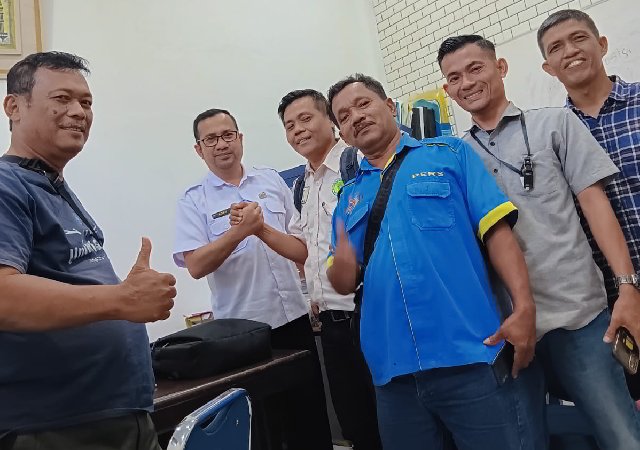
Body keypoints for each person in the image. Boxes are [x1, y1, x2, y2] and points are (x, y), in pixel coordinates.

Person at [438, 34, 640, 449]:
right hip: (508, 331)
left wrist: (627, 288)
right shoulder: (453, 156)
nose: (467, 82)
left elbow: (596, 206)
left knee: (620, 435)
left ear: (501, 68)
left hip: (579, 318)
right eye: (454, 77)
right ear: (447, 90)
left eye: (476, 68)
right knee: (534, 440)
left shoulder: (555, 124)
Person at [325, 73, 538, 450]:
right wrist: (341, 267)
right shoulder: (349, 198)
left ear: (389, 106)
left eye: (363, 104)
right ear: (342, 133)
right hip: (393, 374)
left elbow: (497, 233)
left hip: (469, 353)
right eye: (344, 116)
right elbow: (344, 282)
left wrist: (523, 307)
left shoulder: (449, 155)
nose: (355, 116)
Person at [0, 52, 175, 450]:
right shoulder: (7, 185)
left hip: (115, 414)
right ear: (14, 107)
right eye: (61, 99)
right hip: (56, 426)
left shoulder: (51, 186)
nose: (79, 112)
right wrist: (122, 299)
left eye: (86, 102)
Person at [172, 108, 332, 450]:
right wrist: (239, 233)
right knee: (265, 431)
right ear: (199, 149)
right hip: (243, 335)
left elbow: (302, 250)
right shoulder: (194, 200)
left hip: (295, 320)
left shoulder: (270, 181)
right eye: (211, 139)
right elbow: (196, 265)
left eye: (227, 135)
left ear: (240, 138)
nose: (221, 144)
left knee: (312, 422)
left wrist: (261, 229)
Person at [233, 88, 382, 449]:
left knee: (393, 422)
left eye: (305, 119)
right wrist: (260, 230)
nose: (298, 129)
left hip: (371, 315)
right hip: (332, 324)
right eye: (289, 125)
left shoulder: (357, 164)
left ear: (330, 120)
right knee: (357, 425)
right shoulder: (303, 184)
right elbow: (302, 249)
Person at [537, 8, 640, 400]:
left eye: (579, 38)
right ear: (548, 68)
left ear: (602, 44)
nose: (570, 51)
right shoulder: (551, 136)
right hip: (614, 297)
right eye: (556, 48)